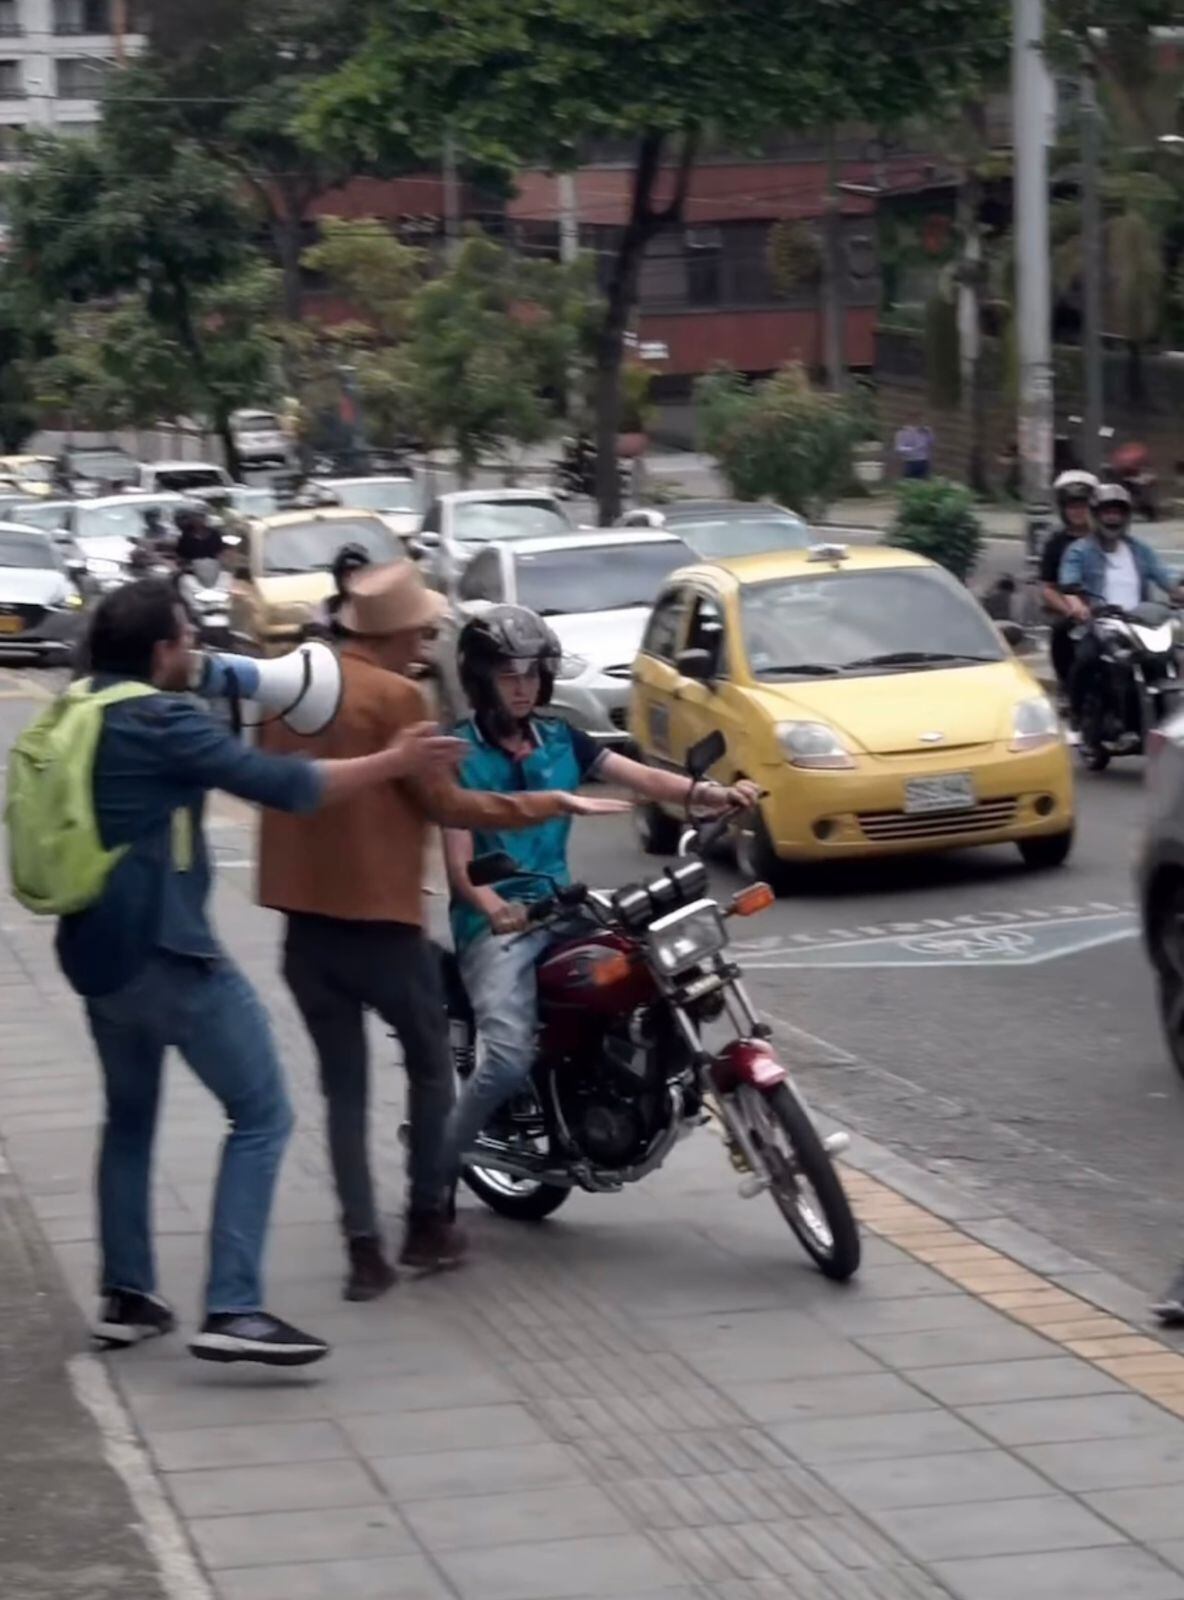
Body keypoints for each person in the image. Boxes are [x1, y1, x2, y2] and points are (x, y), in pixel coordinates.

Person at [59, 579, 465, 1365]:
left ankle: (128, 1295)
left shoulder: (78, 706)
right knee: (263, 1112)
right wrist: (393, 759)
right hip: (171, 954)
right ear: (161, 651)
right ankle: (233, 1305)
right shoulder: (162, 719)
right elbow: (290, 786)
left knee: (130, 1119)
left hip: (94, 954)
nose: (196, 653)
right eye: (186, 639)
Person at [257, 564, 628, 1301]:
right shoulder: (397, 698)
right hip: (381, 929)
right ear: (392, 633)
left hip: (302, 930)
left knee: (343, 1093)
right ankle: (428, 1219)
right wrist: (545, 803)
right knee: (432, 1070)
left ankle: (364, 1251)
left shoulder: (285, 692)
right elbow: (449, 805)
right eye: (421, 630)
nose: (428, 641)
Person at [442, 606, 760, 1177]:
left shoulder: (563, 738)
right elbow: (460, 870)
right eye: (510, 675)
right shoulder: (457, 755)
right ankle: (437, 1165)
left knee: (662, 971)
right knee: (510, 1057)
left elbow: (642, 778)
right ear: (480, 678)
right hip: (498, 929)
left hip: (567, 908)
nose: (524, 687)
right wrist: (496, 909)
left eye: (534, 673)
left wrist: (714, 795)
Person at [1060, 482, 1184, 731]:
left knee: (1171, 658)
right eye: (1107, 512)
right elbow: (1069, 585)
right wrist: (1078, 606)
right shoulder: (1079, 550)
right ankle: (1076, 714)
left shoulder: (1140, 550)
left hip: (1142, 624)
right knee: (1087, 660)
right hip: (1101, 622)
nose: (1112, 518)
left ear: (1126, 517)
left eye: (1118, 512)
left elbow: (1168, 583)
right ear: (1095, 515)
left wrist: (1179, 593)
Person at [1040, 470, 1098, 702]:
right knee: (1062, 632)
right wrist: (1071, 609)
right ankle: (1068, 691)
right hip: (1073, 613)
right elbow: (1047, 587)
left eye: (1082, 505)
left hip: (1109, 610)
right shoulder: (1056, 544)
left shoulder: (1107, 540)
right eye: (1072, 506)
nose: (1077, 512)